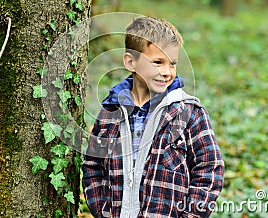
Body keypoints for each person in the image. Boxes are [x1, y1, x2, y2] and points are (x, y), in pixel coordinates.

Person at [82, 16, 224, 218]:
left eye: (172, 63)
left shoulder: (189, 113)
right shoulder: (110, 113)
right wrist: (103, 211)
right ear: (131, 62)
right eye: (157, 62)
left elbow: (209, 169)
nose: (166, 72)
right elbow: (93, 165)